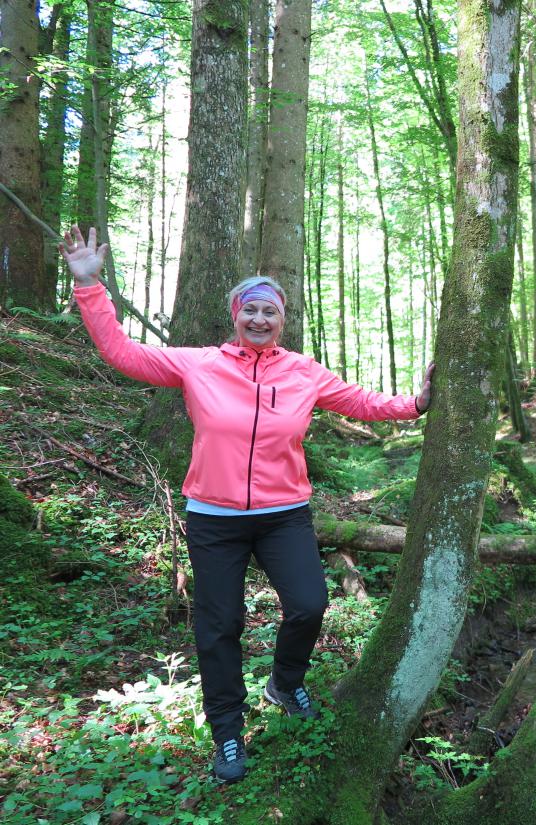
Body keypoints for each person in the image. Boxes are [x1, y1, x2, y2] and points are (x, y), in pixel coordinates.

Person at [61, 226, 435, 783]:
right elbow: (123, 353)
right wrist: (90, 285)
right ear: (235, 315)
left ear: (283, 320)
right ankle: (228, 734)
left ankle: (285, 682)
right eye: (250, 310)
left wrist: (415, 404)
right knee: (220, 624)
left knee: (309, 604)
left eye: (270, 311)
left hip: (284, 514)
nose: (260, 319)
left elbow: (362, 401)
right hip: (213, 517)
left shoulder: (303, 371)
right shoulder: (199, 364)